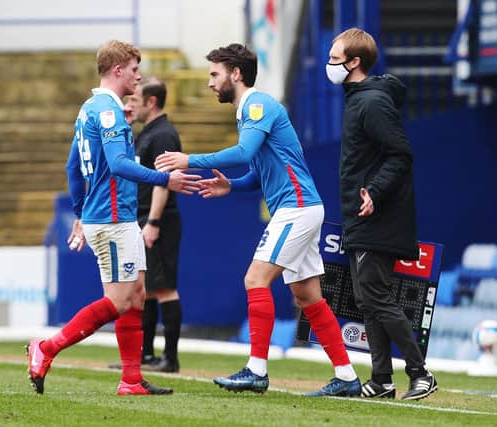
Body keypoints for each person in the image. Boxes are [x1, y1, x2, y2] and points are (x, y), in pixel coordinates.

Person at [155, 43, 361, 397]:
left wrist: (189, 160)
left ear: (235, 74)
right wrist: (230, 186)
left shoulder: (257, 104)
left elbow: (243, 153)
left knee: (255, 279)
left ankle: (256, 370)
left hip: (296, 207)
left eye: (214, 74)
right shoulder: (249, 110)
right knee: (308, 295)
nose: (209, 82)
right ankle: (346, 377)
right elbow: (256, 172)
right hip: (299, 207)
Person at [25, 40, 200, 396]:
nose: (139, 75)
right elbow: (120, 164)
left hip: (106, 217)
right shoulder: (109, 112)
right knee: (120, 301)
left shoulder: (88, 108)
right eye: (135, 69)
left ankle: (131, 379)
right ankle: (48, 347)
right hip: (113, 218)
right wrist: (166, 178)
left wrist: (80, 212)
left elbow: (73, 167)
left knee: (136, 295)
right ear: (118, 69)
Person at [326, 28, 437, 400]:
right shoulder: (359, 100)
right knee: (367, 298)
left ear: (354, 62)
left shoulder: (371, 102)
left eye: (335, 57)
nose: (330, 63)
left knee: (375, 297)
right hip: (362, 215)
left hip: (378, 216)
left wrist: (374, 191)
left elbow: (400, 154)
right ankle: (381, 380)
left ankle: (421, 373)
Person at [110, 78, 183, 373]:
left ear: (151, 102)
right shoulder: (146, 133)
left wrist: (152, 221)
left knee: (164, 288)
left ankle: (170, 358)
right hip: (142, 218)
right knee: (145, 288)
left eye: (136, 99)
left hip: (158, 220)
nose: (130, 103)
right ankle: (146, 355)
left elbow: (163, 183)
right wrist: (126, 123)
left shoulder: (164, 135)